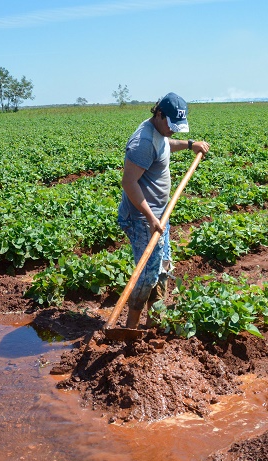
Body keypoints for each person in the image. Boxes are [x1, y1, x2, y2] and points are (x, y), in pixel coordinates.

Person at [117, 92, 209, 329]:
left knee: (162, 267)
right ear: (159, 114)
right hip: (141, 218)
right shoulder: (143, 142)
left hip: (160, 215)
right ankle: (130, 328)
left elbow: (166, 144)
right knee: (148, 274)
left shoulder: (159, 132)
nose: (174, 131)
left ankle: (154, 323)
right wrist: (150, 218)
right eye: (172, 125)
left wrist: (190, 145)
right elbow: (129, 183)